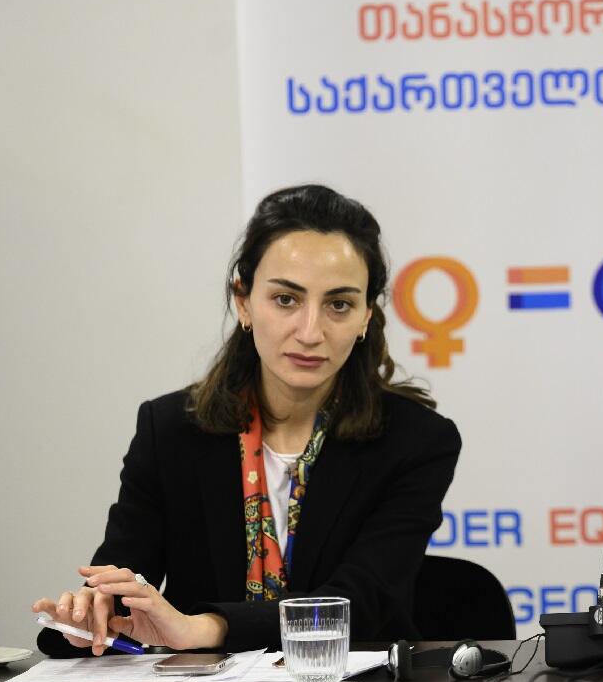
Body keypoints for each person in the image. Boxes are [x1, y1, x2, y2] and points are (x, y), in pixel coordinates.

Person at [32, 184, 460, 655]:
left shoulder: (417, 441)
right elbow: (125, 575)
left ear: (365, 317)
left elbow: (362, 601)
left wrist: (205, 629)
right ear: (243, 300)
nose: (310, 331)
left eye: (339, 304)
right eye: (285, 300)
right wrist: (92, 612)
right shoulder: (170, 429)